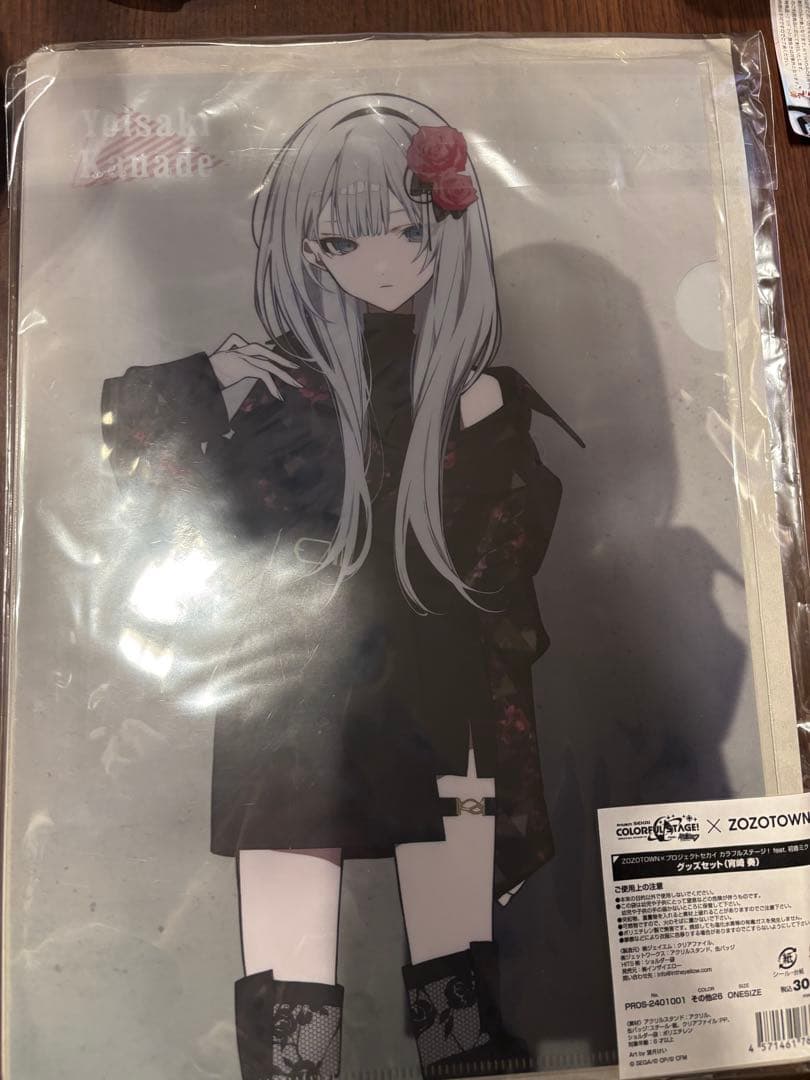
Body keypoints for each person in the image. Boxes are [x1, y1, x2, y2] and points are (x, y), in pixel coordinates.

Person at [102, 93, 576, 1080]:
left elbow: (501, 566)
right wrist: (206, 382)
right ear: (306, 248)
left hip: (438, 698)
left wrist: (485, 428)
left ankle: (456, 1055)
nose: (386, 259)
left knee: (457, 985)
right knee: (293, 998)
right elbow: (156, 499)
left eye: (410, 231)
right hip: (292, 700)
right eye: (347, 239)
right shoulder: (269, 385)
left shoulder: (471, 392)